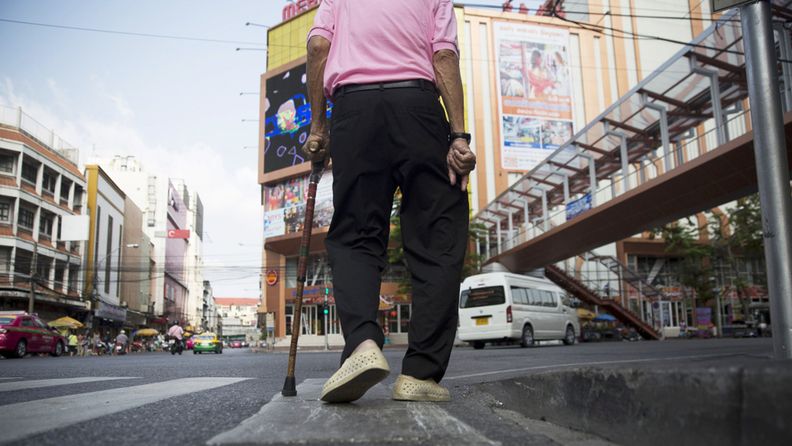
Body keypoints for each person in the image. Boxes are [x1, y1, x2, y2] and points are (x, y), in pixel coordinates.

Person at [304, 0, 476, 403]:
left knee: (356, 235)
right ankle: (419, 375)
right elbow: (444, 56)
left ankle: (363, 344)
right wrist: (458, 136)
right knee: (438, 240)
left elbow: (316, 49)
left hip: (353, 111)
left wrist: (318, 126)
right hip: (417, 109)